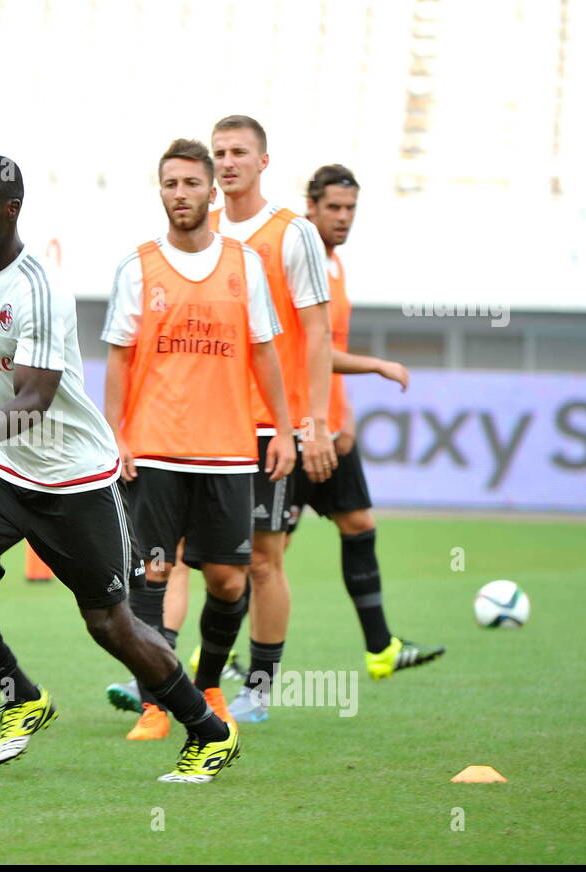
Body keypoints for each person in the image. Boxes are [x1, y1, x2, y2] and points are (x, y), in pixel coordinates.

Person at [0, 154, 240, 783]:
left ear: (11, 211)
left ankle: (208, 733)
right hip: (6, 469)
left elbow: (32, 402)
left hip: (75, 477)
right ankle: (21, 695)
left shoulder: (38, 289)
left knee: (110, 624)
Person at [98, 139, 294, 741]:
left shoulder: (245, 264)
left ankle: (208, 686)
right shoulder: (138, 266)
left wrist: (283, 429)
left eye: (189, 184)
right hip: (156, 449)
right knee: (154, 572)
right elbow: (120, 359)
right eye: (169, 184)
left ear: (213, 191)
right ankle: (159, 703)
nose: (179, 194)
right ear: (160, 192)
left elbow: (264, 352)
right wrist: (117, 436)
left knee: (229, 580)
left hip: (230, 451)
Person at [204, 114, 338, 723]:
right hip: (204, 426)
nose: (227, 162)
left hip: (266, 426)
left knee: (262, 558)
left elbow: (315, 334)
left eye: (238, 152)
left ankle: (258, 687)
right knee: (187, 556)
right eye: (218, 152)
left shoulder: (292, 233)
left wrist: (310, 423)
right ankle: (175, 686)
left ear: (263, 162)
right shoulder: (198, 230)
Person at [295, 163, 445, 677]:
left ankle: (380, 648)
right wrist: (377, 365)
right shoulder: (298, 261)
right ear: (309, 206)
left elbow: (326, 349)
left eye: (350, 208)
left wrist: (348, 411)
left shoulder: (335, 266)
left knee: (359, 524)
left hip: (331, 424)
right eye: (332, 207)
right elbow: (305, 351)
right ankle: (205, 665)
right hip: (294, 425)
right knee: (258, 559)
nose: (342, 217)